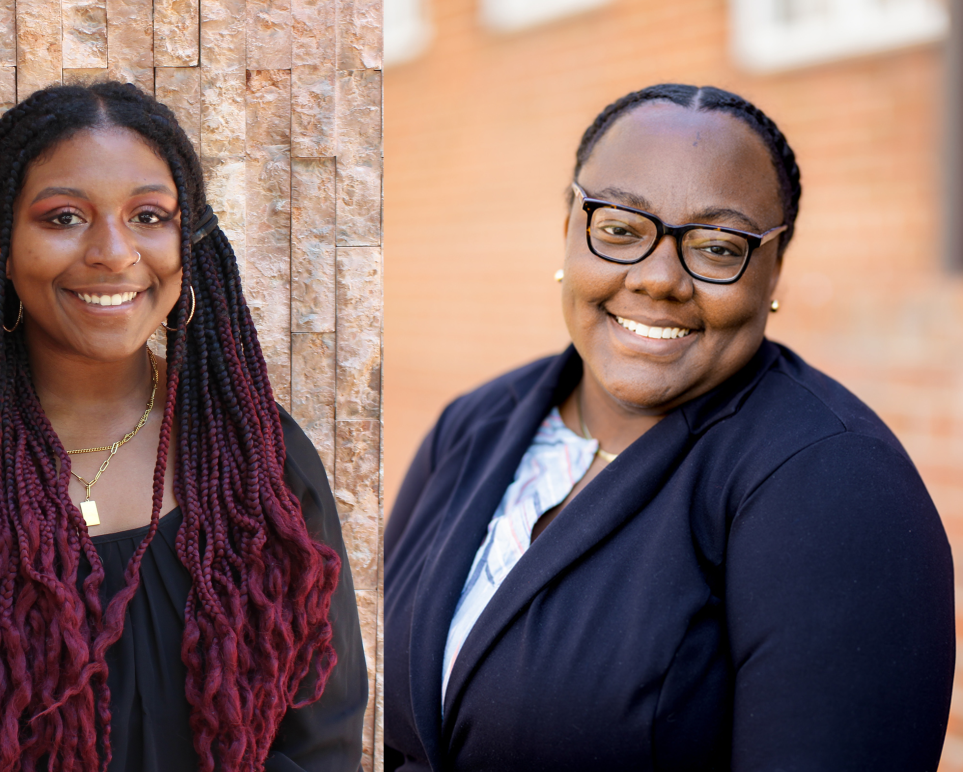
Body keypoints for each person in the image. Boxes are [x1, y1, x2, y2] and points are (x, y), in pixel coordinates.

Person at [382, 84, 954, 771]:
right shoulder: (474, 424)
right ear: (569, 226)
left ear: (775, 270)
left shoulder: (837, 488)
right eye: (620, 228)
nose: (658, 279)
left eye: (717, 247)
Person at [0, 81, 367, 772]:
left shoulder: (259, 456)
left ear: (189, 241)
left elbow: (325, 736)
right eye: (64, 217)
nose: (113, 251)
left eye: (148, 216)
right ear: (3, 246)